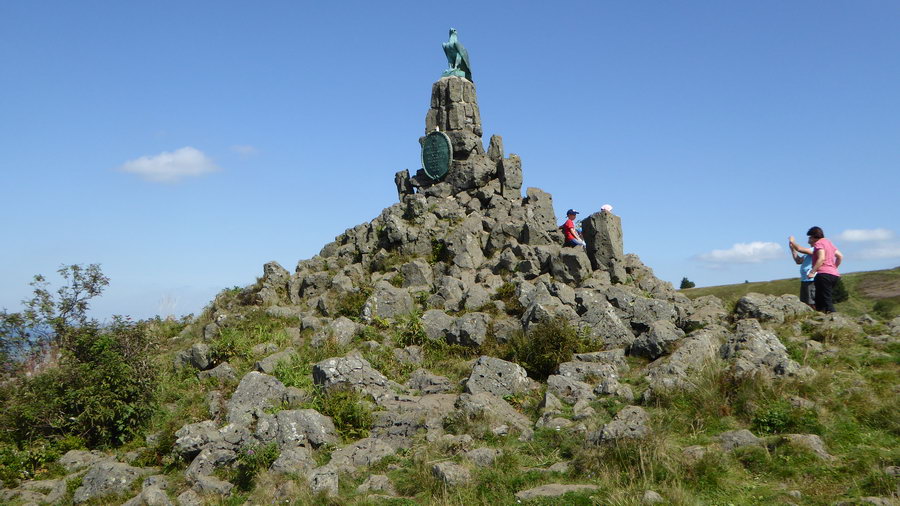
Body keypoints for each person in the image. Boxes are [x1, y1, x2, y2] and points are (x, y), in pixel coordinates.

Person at [805, 226, 844, 313]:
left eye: (810, 237)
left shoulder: (818, 243)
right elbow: (840, 256)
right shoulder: (828, 242)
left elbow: (821, 258)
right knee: (820, 298)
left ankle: (834, 316)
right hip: (834, 275)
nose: (809, 239)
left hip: (823, 275)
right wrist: (834, 267)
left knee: (826, 299)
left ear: (814, 236)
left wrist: (812, 272)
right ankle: (821, 315)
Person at [788, 235, 816, 309]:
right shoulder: (808, 252)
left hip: (811, 279)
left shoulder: (815, 249)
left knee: (811, 302)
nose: (808, 238)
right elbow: (799, 261)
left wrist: (792, 241)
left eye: (810, 237)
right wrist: (792, 249)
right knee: (806, 302)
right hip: (805, 279)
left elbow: (799, 249)